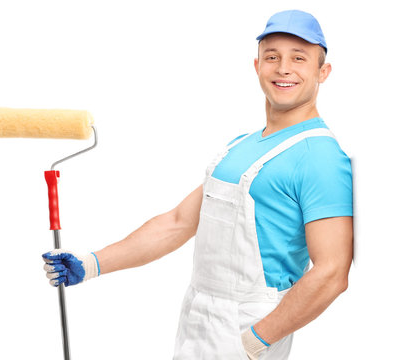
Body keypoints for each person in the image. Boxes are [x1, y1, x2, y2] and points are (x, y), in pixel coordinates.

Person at [42, 9, 353, 360]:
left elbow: (332, 272)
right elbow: (177, 223)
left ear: (322, 72)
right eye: (272, 57)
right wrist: (91, 263)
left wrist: (256, 339)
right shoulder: (240, 146)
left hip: (249, 325)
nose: (283, 68)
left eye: (299, 58)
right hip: (198, 315)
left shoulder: (321, 156)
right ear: (257, 66)